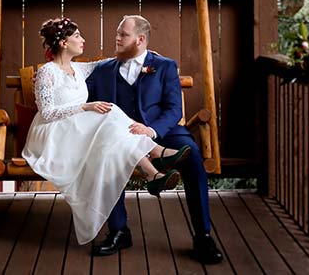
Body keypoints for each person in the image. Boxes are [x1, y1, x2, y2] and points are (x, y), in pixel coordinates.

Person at [22, 17, 191, 246]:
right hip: (52, 134)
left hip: (77, 130)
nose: (83, 40)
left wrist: (146, 52)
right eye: (77, 36)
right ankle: (156, 156)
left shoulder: (79, 68)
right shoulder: (47, 73)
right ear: (63, 43)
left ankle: (153, 173)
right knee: (109, 114)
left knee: (111, 119)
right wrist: (85, 106)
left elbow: (113, 61)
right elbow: (48, 112)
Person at [85, 15, 224, 264]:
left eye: (123, 34)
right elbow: (80, 94)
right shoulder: (102, 70)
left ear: (140, 39)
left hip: (164, 133)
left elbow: (174, 110)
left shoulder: (165, 66)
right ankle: (119, 231)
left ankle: (203, 236)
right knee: (104, 156)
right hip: (117, 137)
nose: (116, 38)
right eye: (117, 33)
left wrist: (151, 131)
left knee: (192, 156)